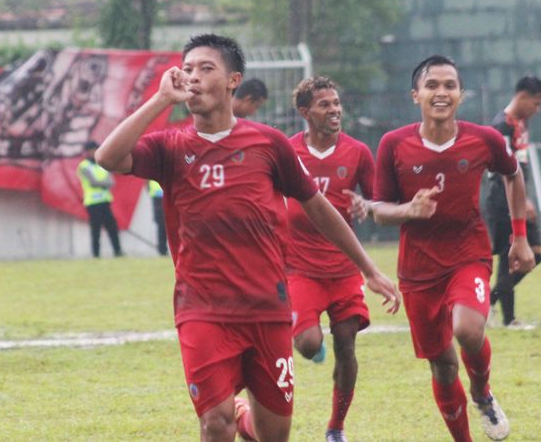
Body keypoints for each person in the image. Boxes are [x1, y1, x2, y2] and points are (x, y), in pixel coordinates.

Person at [95, 34, 400, 442]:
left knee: (273, 434)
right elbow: (108, 158)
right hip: (202, 309)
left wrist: (369, 269)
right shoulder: (170, 147)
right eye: (188, 69)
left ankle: (243, 416)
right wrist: (160, 101)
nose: (194, 77)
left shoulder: (269, 144)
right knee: (214, 422)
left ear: (233, 80)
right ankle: (229, 415)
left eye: (206, 68)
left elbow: (318, 207)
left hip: (268, 309)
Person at [372, 55, 535, 441]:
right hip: (417, 270)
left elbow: (514, 175)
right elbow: (378, 210)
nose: (441, 92)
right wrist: (407, 209)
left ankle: (482, 392)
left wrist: (520, 237)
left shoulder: (485, 139)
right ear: (416, 95)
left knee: (467, 327)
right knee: (442, 366)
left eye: (449, 85)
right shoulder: (393, 144)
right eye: (432, 85)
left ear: (461, 95)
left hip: (468, 255)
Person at [285, 76, 382, 442]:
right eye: (325, 104)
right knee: (309, 344)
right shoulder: (287, 151)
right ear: (305, 112)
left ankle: (336, 427)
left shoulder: (358, 152)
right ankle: (313, 345)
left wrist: (368, 206)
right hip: (299, 268)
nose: (335, 110)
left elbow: (379, 201)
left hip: (343, 270)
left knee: (347, 344)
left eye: (337, 102)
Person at [485, 76, 541, 327]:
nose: (537, 109)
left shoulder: (519, 124)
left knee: (535, 255)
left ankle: (490, 301)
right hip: (503, 201)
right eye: (536, 103)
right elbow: (502, 172)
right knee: (507, 256)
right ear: (522, 96)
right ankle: (508, 318)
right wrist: (521, 202)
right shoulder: (501, 126)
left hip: (518, 199)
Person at [78, 141, 123, 258]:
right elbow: (93, 183)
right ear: (87, 152)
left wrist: (102, 183)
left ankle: (118, 251)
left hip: (105, 200)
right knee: (96, 229)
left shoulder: (102, 164)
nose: (94, 152)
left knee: (112, 227)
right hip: (92, 202)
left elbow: (111, 182)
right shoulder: (83, 166)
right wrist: (104, 184)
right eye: (92, 150)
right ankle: (96, 254)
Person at [148, 180, 168, 256]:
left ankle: (163, 249)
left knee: (163, 224)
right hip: (158, 197)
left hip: (163, 195)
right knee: (162, 224)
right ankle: (162, 249)